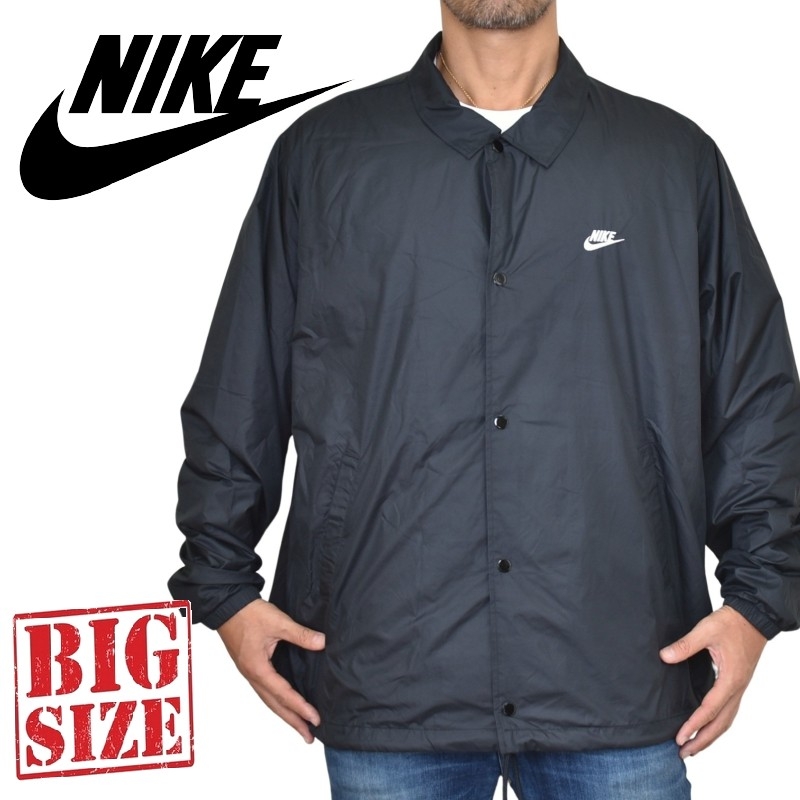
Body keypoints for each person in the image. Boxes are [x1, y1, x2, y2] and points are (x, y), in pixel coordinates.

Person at [167, 1, 800, 797]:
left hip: (615, 669)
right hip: (388, 672)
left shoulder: (670, 161)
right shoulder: (324, 157)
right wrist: (224, 588)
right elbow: (243, 381)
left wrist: (757, 601)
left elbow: (753, 398)